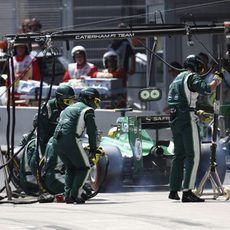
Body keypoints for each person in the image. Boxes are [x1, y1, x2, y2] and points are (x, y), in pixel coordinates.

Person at [167, 54, 223, 202]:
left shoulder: (176, 79)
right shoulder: (192, 76)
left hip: (174, 119)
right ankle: (187, 191)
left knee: (178, 155)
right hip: (186, 119)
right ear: (196, 66)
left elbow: (179, 100)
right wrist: (217, 78)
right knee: (193, 155)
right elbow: (207, 89)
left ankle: (173, 190)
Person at [19, 85, 75, 194]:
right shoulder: (48, 107)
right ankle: (37, 185)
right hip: (44, 139)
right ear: (59, 99)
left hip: (61, 140)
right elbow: (41, 132)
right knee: (37, 160)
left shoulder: (73, 110)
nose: (70, 104)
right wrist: (44, 152)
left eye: (72, 101)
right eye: (67, 101)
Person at [51, 87, 101, 204]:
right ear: (89, 99)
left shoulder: (67, 109)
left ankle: (67, 195)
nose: (96, 104)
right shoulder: (87, 110)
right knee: (84, 167)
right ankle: (75, 195)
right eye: (96, 100)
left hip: (56, 141)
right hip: (71, 140)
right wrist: (93, 148)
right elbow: (92, 131)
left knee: (71, 168)